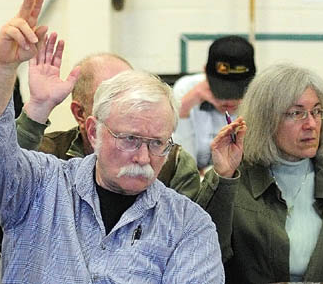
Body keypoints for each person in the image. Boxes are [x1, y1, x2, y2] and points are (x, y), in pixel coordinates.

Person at [0, 0, 223, 282]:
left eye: (158, 143)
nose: (144, 157)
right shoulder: (39, 188)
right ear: (93, 131)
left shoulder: (188, 226)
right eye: (130, 139)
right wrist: (4, 68)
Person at [205, 63, 323, 283]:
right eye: (296, 113)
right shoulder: (234, 185)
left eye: (317, 111)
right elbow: (205, 258)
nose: (311, 124)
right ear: (266, 120)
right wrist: (223, 177)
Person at [15, 50, 203, 201]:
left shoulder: (173, 162)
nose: (143, 157)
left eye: (135, 94)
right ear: (81, 115)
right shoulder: (45, 154)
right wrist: (36, 111)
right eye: (111, 97)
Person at [173, 35, 256, 171]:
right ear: (205, 72)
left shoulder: (259, 96)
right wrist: (183, 111)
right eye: (221, 88)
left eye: (237, 90)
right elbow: (181, 170)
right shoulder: (186, 89)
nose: (228, 99)